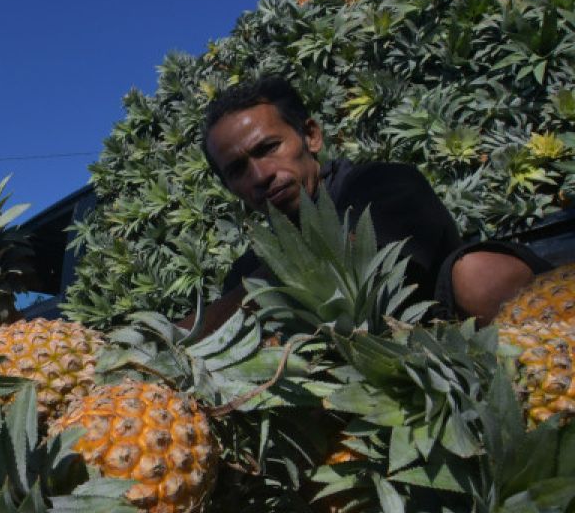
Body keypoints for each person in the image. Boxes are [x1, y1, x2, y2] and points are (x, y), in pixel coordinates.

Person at [190, 75, 548, 333]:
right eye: (237, 170)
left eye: (268, 148)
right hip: (344, 398)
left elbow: (361, 269)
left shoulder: (383, 185)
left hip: (452, 347)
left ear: (311, 136)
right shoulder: (246, 270)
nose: (260, 175)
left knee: (482, 275)